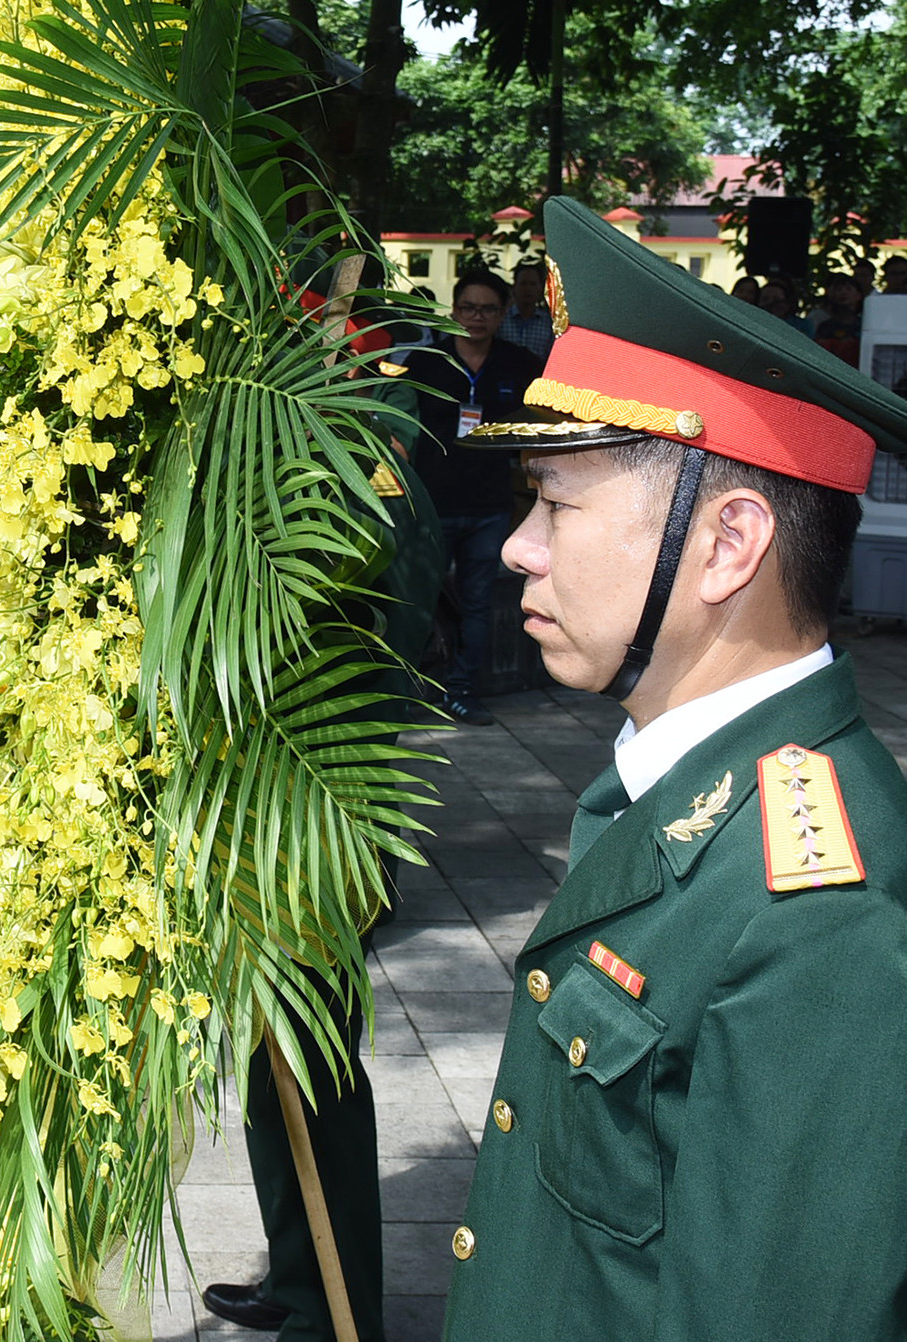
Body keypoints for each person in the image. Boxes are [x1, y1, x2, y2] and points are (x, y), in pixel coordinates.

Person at [444, 196, 907, 1339]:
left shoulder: (821, 916)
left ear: (730, 543)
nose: (519, 547)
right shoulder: (667, 788)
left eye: (555, 504)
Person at [202, 307, 445, 1342]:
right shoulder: (290, 418)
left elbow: (387, 595)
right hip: (262, 781)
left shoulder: (360, 426)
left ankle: (337, 1313)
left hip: (316, 786)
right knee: (272, 1058)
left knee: (311, 1059)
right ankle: (301, 1276)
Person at [400, 270, 542, 726]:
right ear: (454, 311)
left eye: (486, 309)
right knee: (419, 599)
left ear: (502, 314)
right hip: (433, 503)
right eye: (467, 308)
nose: (475, 317)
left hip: (488, 505)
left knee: (477, 601)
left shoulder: (518, 363)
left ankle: (461, 691)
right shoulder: (426, 362)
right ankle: (411, 689)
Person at [499, 258, 554, 362]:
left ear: (541, 289)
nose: (528, 289)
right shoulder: (501, 319)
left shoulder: (549, 323)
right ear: (514, 287)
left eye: (533, 284)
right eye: (523, 284)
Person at [812, 271, 863, 366]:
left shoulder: (865, 326)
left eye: (848, 289)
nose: (843, 293)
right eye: (839, 289)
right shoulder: (825, 327)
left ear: (858, 295)